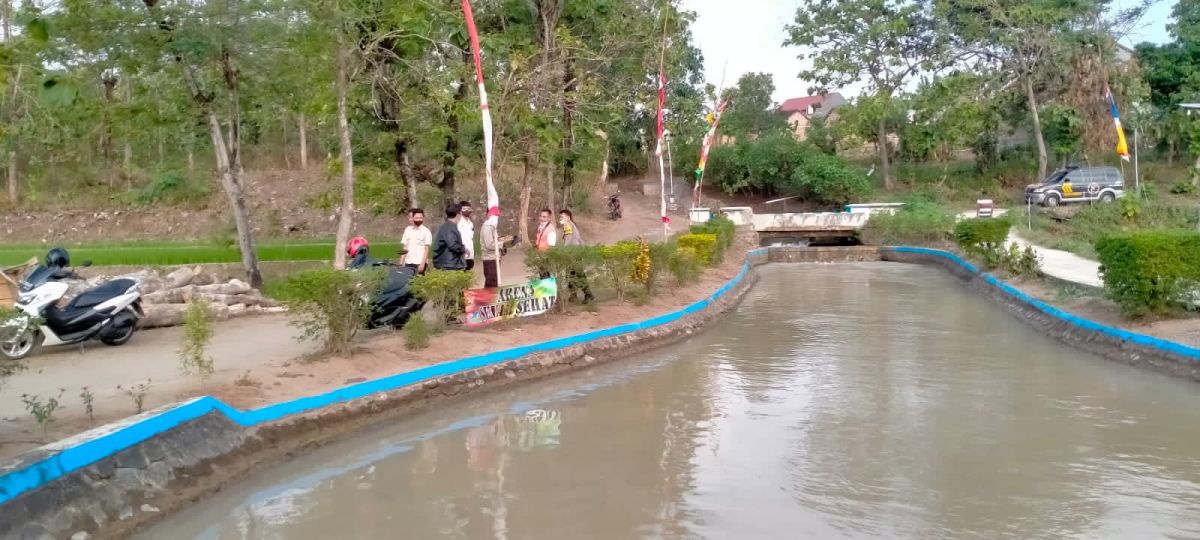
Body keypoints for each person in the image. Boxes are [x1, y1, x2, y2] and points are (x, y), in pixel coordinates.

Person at [559, 209, 594, 303]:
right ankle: (573, 294)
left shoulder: (567, 225)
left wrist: (563, 251)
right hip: (575, 252)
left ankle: (588, 294)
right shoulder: (571, 225)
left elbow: (569, 239)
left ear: (567, 217)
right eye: (560, 216)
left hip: (573, 253)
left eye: (562, 216)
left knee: (578, 274)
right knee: (571, 274)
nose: (560, 218)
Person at [433, 202, 467, 271]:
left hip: (448, 263)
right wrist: (463, 249)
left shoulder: (447, 226)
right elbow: (452, 245)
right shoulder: (450, 227)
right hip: (449, 264)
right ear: (458, 215)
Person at [400, 208, 432, 274]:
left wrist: (422, 264)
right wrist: (401, 262)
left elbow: (426, 249)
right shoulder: (408, 230)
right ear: (413, 218)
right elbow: (405, 247)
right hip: (408, 262)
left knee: (418, 279)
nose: (418, 220)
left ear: (423, 218)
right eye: (416, 218)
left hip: (419, 262)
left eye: (420, 218)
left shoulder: (426, 231)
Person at [480, 215, 502, 288]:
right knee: (491, 284)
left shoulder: (492, 226)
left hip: (494, 258)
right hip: (490, 259)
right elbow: (489, 245)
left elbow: (495, 241)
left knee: (494, 283)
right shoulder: (488, 227)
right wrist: (502, 244)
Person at [457, 200, 476, 271]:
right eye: (464, 209)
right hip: (461, 254)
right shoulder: (458, 222)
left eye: (468, 209)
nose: (467, 211)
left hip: (470, 254)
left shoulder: (470, 223)